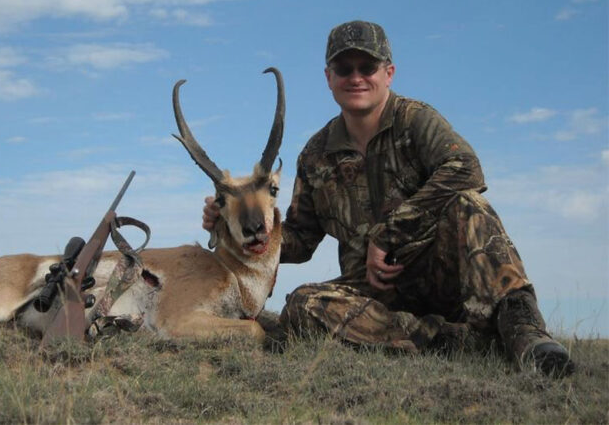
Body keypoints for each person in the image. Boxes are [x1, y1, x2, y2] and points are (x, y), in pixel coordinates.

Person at [202, 20, 574, 376]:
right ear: (329, 78)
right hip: (374, 293)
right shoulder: (315, 154)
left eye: (367, 66)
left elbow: (467, 169)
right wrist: (239, 226)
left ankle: (526, 332)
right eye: (344, 68)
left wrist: (388, 235)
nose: (356, 77)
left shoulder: (415, 121)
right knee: (303, 304)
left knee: (470, 205)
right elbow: (299, 241)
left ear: (388, 73)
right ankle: (449, 338)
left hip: (442, 274)